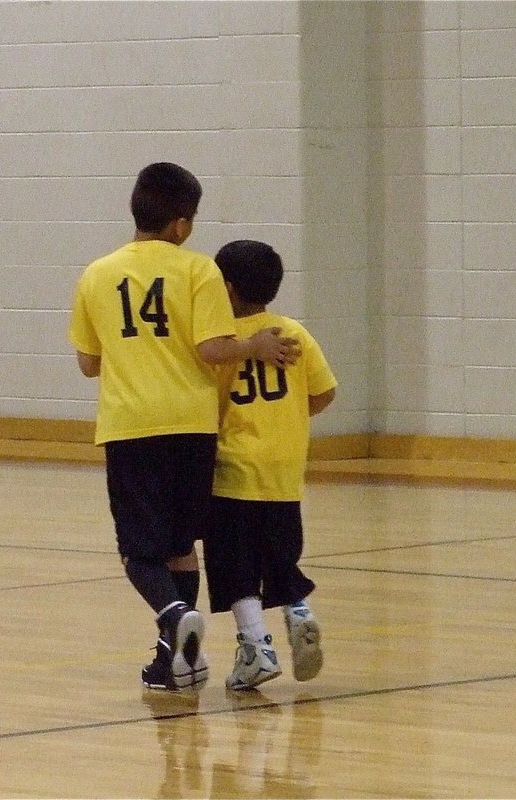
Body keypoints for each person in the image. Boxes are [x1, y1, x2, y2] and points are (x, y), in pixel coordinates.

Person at [68, 163, 297, 692]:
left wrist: (134, 353)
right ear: (181, 225)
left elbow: (88, 361)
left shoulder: (97, 273)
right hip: (193, 426)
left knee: (139, 550)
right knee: (179, 545)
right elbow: (212, 349)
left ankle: (172, 615)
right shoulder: (199, 271)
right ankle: (178, 659)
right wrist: (254, 346)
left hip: (131, 426)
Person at [203, 239, 337, 690]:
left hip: (235, 470)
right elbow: (324, 393)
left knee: (233, 564)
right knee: (281, 554)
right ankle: (299, 611)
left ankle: (256, 646)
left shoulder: (227, 347)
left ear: (228, 288)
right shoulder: (294, 333)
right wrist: (293, 417)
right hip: (284, 470)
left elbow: (210, 407)